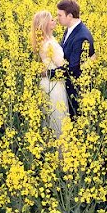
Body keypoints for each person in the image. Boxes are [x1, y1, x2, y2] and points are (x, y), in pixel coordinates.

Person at [31, 10, 69, 138]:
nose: (55, 21)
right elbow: (62, 66)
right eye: (52, 19)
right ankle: (60, 155)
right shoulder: (49, 44)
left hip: (47, 82)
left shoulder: (44, 40)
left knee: (49, 120)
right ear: (45, 24)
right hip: (54, 85)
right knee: (57, 120)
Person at [55, 0, 95, 118]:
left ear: (70, 16)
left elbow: (73, 69)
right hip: (67, 85)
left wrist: (48, 73)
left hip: (76, 90)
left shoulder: (81, 36)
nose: (57, 18)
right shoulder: (70, 29)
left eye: (60, 15)